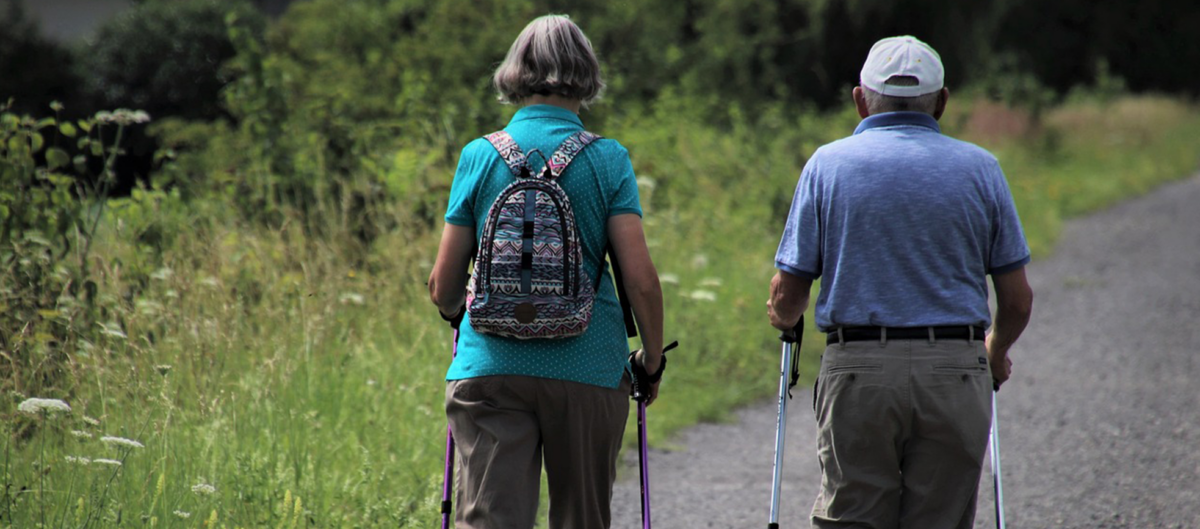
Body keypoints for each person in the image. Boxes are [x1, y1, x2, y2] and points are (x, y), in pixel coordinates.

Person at [766, 36, 1034, 528]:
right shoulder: (982, 169)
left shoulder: (828, 164)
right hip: (954, 371)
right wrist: (994, 353)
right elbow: (1016, 300)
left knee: (852, 516)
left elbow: (789, 294)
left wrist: (782, 316)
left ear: (860, 98)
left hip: (859, 373)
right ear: (944, 101)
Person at [427, 14, 665, 529]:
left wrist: (457, 311)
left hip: (490, 366)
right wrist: (648, 360)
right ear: (585, 74)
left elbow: (444, 287)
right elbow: (641, 280)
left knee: (489, 520)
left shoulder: (478, 156)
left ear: (515, 73)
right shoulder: (607, 159)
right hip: (589, 365)